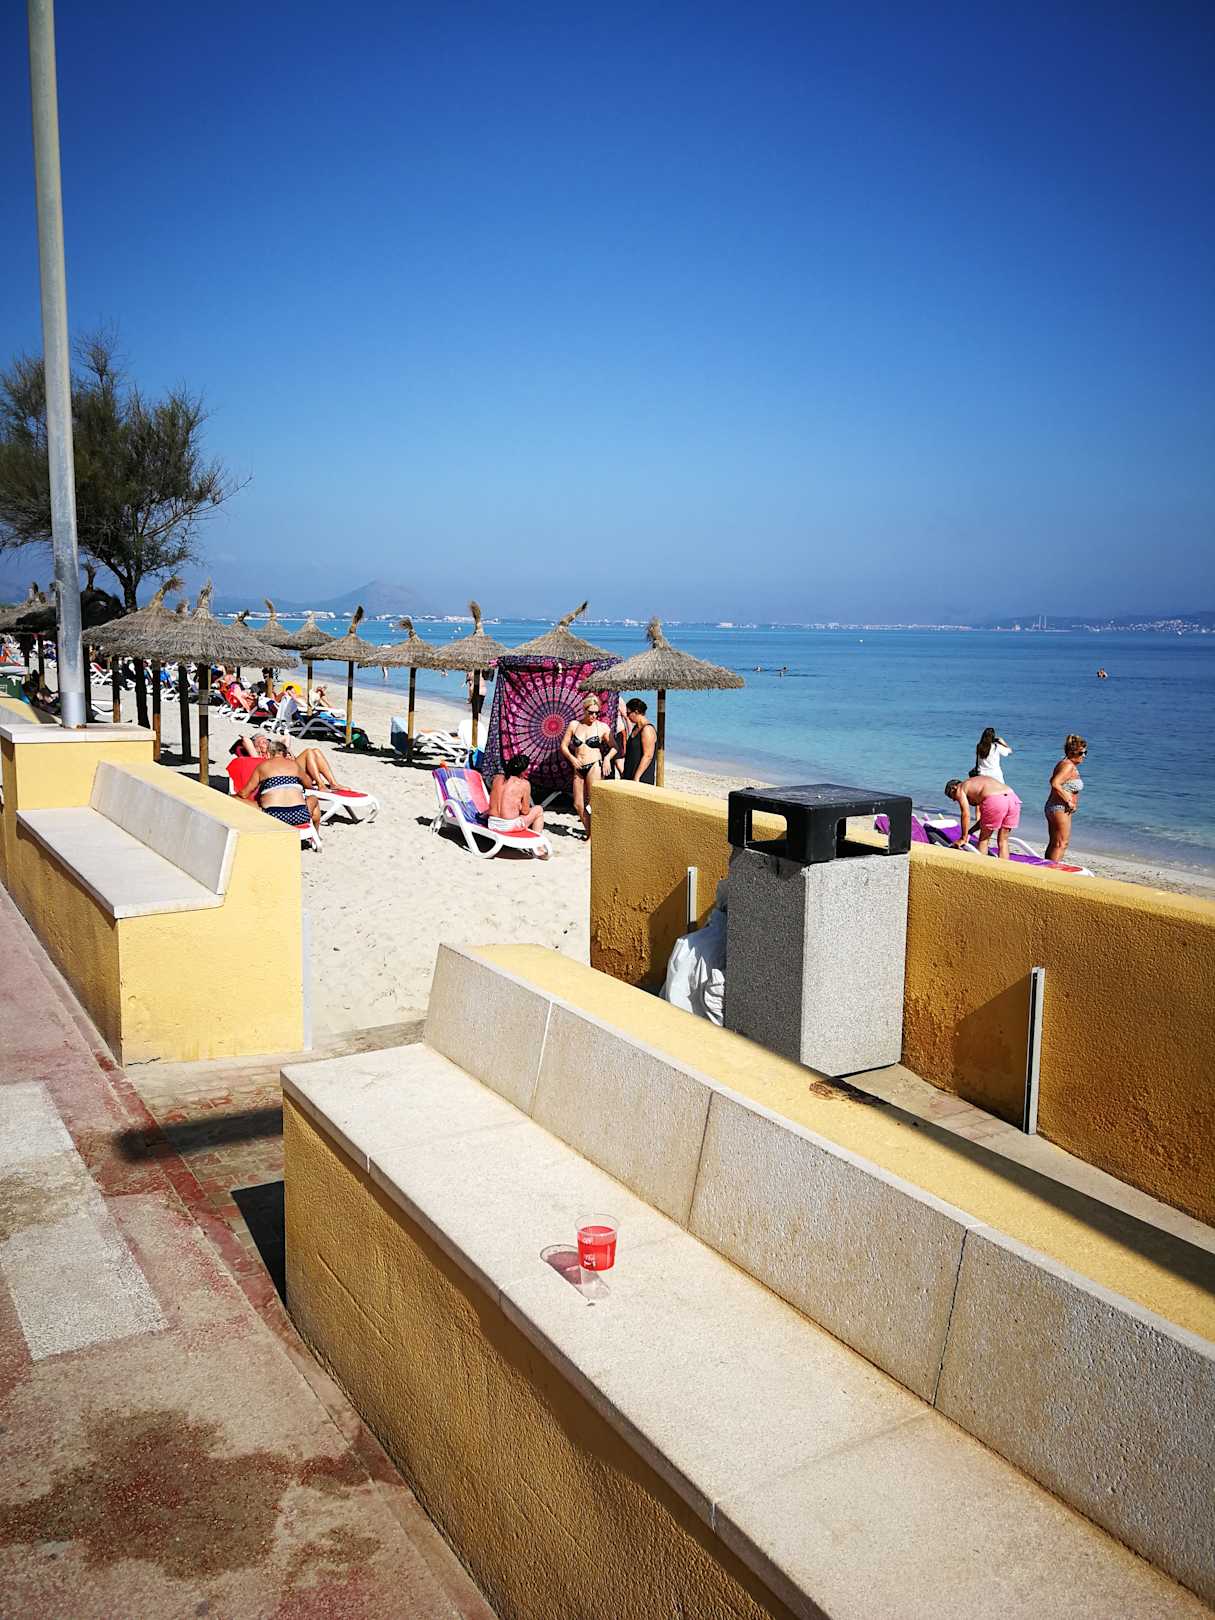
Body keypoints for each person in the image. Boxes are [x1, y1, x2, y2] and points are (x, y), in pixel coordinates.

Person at [560, 693, 616, 837]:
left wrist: (607, 758)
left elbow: (615, 747)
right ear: (584, 710)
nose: (594, 716)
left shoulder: (602, 727)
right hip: (578, 767)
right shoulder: (574, 725)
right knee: (578, 804)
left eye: (597, 713)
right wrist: (572, 758)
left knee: (593, 802)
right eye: (591, 712)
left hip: (594, 765)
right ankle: (589, 832)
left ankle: (594, 836)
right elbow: (564, 746)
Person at [237, 738, 321, 831]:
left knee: (234, 799)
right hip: (299, 816)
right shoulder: (294, 765)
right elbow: (309, 785)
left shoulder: (263, 766)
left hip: (273, 816)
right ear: (285, 754)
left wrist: (237, 795)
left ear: (269, 753)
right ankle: (315, 834)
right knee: (313, 798)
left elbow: (244, 794)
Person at [944, 774, 1023, 860]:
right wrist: (970, 832)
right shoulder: (977, 784)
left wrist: (963, 838)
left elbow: (965, 814)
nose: (954, 800)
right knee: (1003, 840)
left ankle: (981, 866)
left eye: (952, 796)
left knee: (983, 840)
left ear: (953, 788)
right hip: (1012, 798)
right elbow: (984, 820)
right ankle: (1004, 866)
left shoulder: (960, 788)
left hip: (995, 800)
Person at [488, 754, 549, 855]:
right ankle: (537, 846)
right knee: (538, 810)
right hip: (507, 826)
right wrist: (519, 806)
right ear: (523, 771)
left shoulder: (497, 778)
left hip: (492, 823)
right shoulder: (524, 784)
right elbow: (525, 811)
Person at [1044, 734, 1087, 863]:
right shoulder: (1068, 765)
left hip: (1054, 807)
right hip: (1060, 808)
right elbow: (1055, 783)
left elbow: (1055, 781)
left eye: (1085, 752)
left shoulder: (1065, 763)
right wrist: (1068, 800)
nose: (1084, 756)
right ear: (1071, 752)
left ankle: (1045, 867)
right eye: (1081, 753)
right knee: (1062, 843)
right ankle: (1052, 871)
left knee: (1055, 842)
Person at [622, 698, 657, 784]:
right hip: (629, 773)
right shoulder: (636, 728)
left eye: (628, 713)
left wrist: (637, 777)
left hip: (641, 777)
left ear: (636, 712)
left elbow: (648, 756)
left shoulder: (647, 729)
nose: (627, 716)